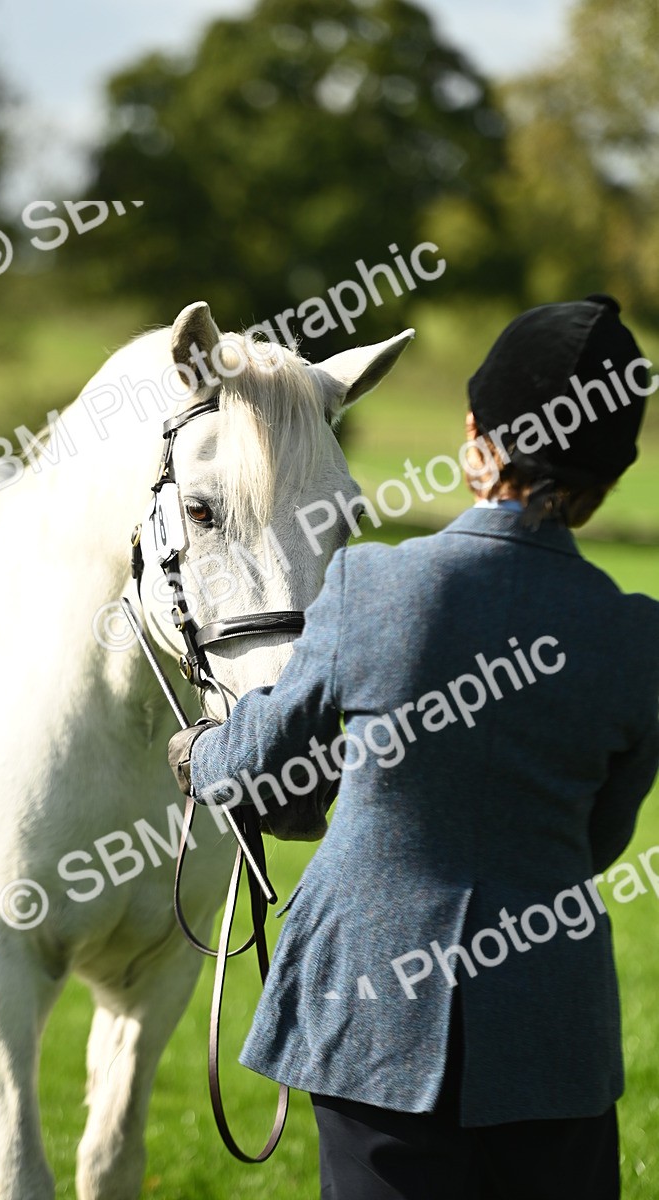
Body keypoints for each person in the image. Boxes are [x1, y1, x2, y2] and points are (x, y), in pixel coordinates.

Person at [168, 294, 659, 1200]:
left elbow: (256, 757)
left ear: (477, 438)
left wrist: (197, 752)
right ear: (614, 471)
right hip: (553, 1028)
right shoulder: (640, 639)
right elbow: (599, 838)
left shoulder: (374, 583)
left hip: (371, 1017)